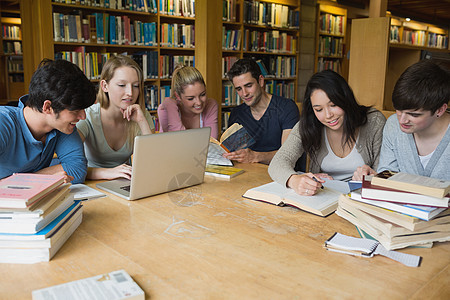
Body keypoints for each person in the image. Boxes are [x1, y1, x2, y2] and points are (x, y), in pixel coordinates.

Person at [268, 70, 386, 196]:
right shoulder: (307, 124)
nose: (328, 115)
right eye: (319, 109)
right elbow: (278, 162)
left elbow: (387, 173)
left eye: (333, 105)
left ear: (345, 99)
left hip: (362, 199)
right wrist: (294, 180)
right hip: (324, 197)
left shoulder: (374, 122)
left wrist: (374, 176)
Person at [0, 59, 96, 183]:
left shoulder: (61, 126)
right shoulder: (3, 122)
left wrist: (26, 181)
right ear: (47, 107)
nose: (83, 116)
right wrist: (45, 179)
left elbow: (77, 170)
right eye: (75, 110)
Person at [77, 55, 155, 180]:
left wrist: (141, 121)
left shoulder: (141, 115)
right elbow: (71, 168)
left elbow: (154, 162)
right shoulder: (87, 116)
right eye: (121, 85)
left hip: (125, 182)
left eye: (135, 86)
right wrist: (107, 173)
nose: (130, 92)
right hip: (90, 183)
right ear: (104, 86)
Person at [374, 60, 450, 180]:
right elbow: (387, 176)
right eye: (398, 110)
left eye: (414, 115)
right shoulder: (393, 125)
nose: (402, 120)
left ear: (440, 110)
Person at [224, 58, 299, 164]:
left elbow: (289, 155)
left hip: (280, 174)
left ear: (261, 81)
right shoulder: (237, 114)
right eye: (239, 89)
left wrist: (256, 156)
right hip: (248, 174)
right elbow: (236, 154)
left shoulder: (286, 108)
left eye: (248, 86)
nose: (244, 94)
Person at [157, 65, 219, 139]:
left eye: (202, 95)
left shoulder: (211, 105)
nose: (199, 102)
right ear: (178, 96)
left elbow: (212, 143)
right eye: (191, 98)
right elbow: (177, 141)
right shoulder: (165, 109)